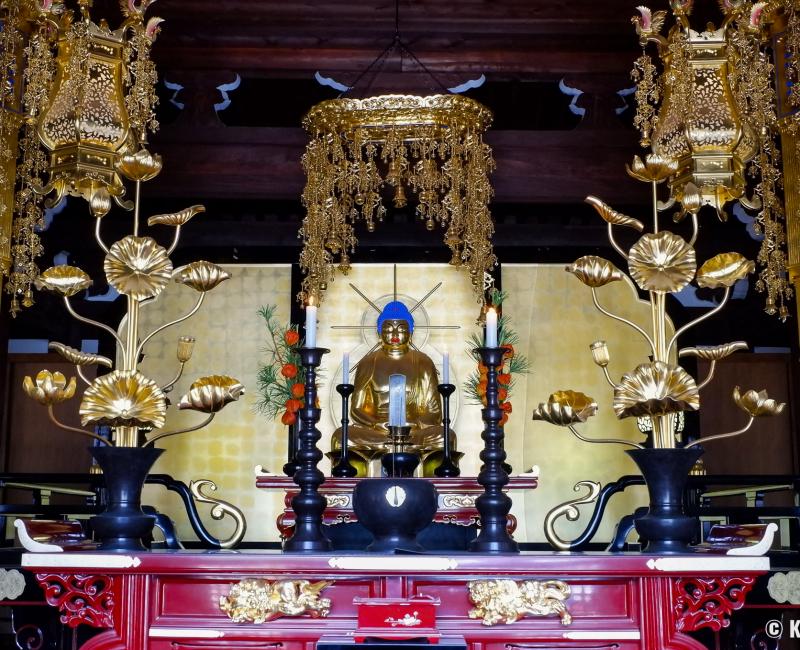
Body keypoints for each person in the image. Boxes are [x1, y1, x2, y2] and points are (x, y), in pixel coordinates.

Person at [331, 300, 457, 476]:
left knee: (446, 437)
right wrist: (376, 423)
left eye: (402, 327)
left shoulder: (423, 362)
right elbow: (356, 409)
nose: (395, 332)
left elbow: (434, 411)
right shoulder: (369, 362)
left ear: (411, 331)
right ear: (379, 331)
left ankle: (437, 484)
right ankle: (349, 486)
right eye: (389, 327)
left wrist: (414, 425)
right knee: (342, 437)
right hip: (377, 432)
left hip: (414, 432)